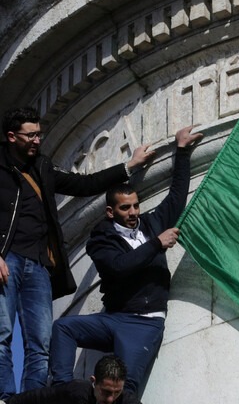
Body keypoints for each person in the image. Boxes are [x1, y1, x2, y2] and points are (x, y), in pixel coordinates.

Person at [0, 107, 154, 399]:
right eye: (30, 135)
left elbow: (85, 184)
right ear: (11, 136)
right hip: (6, 259)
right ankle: (5, 397)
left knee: (40, 342)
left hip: (39, 265)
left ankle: (33, 399)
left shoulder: (43, 166)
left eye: (39, 134)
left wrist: (128, 166)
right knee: (2, 334)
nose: (37, 140)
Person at [49, 125, 203, 396]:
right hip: (114, 318)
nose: (133, 212)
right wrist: (156, 244)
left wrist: (181, 151)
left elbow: (177, 196)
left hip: (145, 322)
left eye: (135, 205)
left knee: (126, 389)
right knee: (63, 328)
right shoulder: (100, 240)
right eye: (125, 208)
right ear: (110, 212)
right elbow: (118, 267)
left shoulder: (151, 223)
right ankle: (62, 392)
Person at [4, 354, 140, 404]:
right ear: (93, 381)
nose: (110, 399)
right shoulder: (76, 391)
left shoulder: (127, 401)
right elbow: (39, 396)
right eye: (106, 392)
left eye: (117, 392)